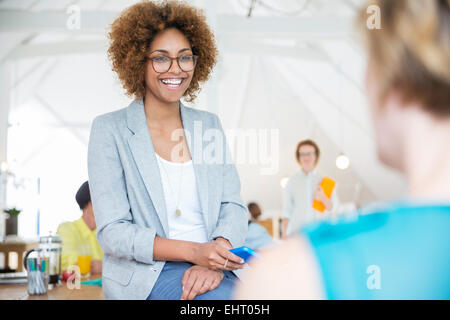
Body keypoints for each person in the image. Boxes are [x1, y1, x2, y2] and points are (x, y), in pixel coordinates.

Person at [235, 0, 450, 300]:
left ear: (393, 83)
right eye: (303, 155)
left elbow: (332, 210)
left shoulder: (286, 276)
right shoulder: (293, 187)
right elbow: (287, 213)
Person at [87, 1, 248, 300]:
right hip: (151, 271)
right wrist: (196, 252)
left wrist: (215, 257)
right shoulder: (109, 130)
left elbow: (234, 206)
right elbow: (113, 232)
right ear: (138, 61)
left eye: (185, 57)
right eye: (161, 59)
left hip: (216, 263)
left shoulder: (208, 126)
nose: (175, 69)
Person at [281, 139, 339, 238]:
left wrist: (322, 197)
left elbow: (332, 208)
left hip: (320, 233)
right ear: (298, 157)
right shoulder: (291, 182)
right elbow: (287, 212)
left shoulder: (325, 180)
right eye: (302, 154)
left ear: (316, 156)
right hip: (298, 234)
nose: (306, 157)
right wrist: (284, 236)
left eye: (309, 153)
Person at [56, 181, 103, 274]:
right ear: (87, 204)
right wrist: (109, 267)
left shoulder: (107, 233)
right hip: (75, 287)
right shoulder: (66, 229)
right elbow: (69, 264)